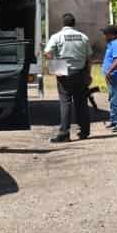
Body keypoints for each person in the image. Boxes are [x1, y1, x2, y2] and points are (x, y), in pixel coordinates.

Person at [45, 13, 92, 142]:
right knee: (81, 103)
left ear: (63, 23)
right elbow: (89, 58)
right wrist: (88, 74)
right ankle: (85, 131)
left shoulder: (57, 37)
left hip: (64, 72)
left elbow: (47, 53)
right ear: (74, 23)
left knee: (65, 102)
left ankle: (64, 133)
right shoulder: (83, 37)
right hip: (81, 73)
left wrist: (56, 66)